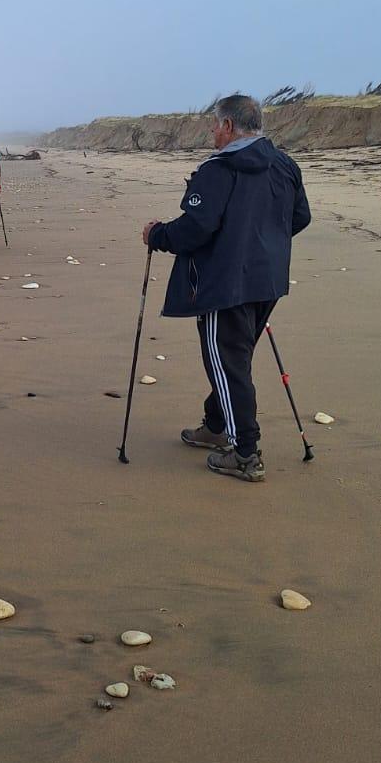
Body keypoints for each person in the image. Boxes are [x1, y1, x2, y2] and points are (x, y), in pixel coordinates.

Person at [142, 93, 311, 482]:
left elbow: (196, 228)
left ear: (230, 127)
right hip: (267, 279)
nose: (212, 131)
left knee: (227, 361)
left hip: (227, 282)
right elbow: (299, 217)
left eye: (215, 124)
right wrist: (262, 244)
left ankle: (246, 453)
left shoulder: (219, 169)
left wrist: (157, 234)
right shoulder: (284, 164)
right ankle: (216, 425)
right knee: (233, 358)